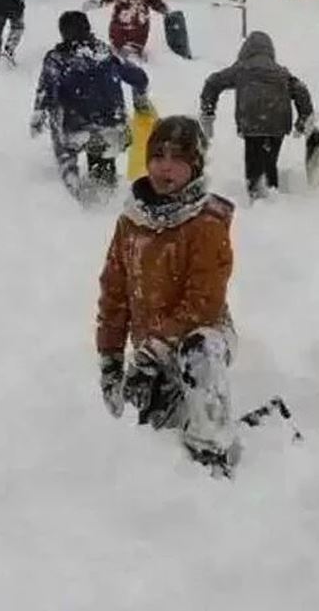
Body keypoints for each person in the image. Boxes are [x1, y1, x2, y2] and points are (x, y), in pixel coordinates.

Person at [96, 115, 240, 477]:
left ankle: (214, 449)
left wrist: (152, 353)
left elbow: (203, 303)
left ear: (195, 166)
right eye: (158, 156)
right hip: (149, 352)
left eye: (178, 158)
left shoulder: (206, 224)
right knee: (158, 440)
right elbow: (114, 294)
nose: (165, 167)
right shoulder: (131, 223)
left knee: (200, 350)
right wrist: (111, 359)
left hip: (204, 337)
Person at [31, 11, 152, 203]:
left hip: (76, 128)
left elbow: (46, 92)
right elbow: (139, 77)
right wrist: (141, 100)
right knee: (103, 156)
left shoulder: (57, 59)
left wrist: (39, 116)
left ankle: (69, 176)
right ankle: (104, 193)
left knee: (58, 117)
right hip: (113, 125)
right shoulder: (106, 53)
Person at [198, 31, 315, 201]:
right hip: (278, 122)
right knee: (270, 159)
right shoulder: (281, 72)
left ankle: (257, 196)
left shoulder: (241, 68)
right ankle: (271, 191)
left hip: (252, 121)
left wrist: (208, 110)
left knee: (254, 159)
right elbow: (301, 90)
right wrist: (303, 118)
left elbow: (213, 82)